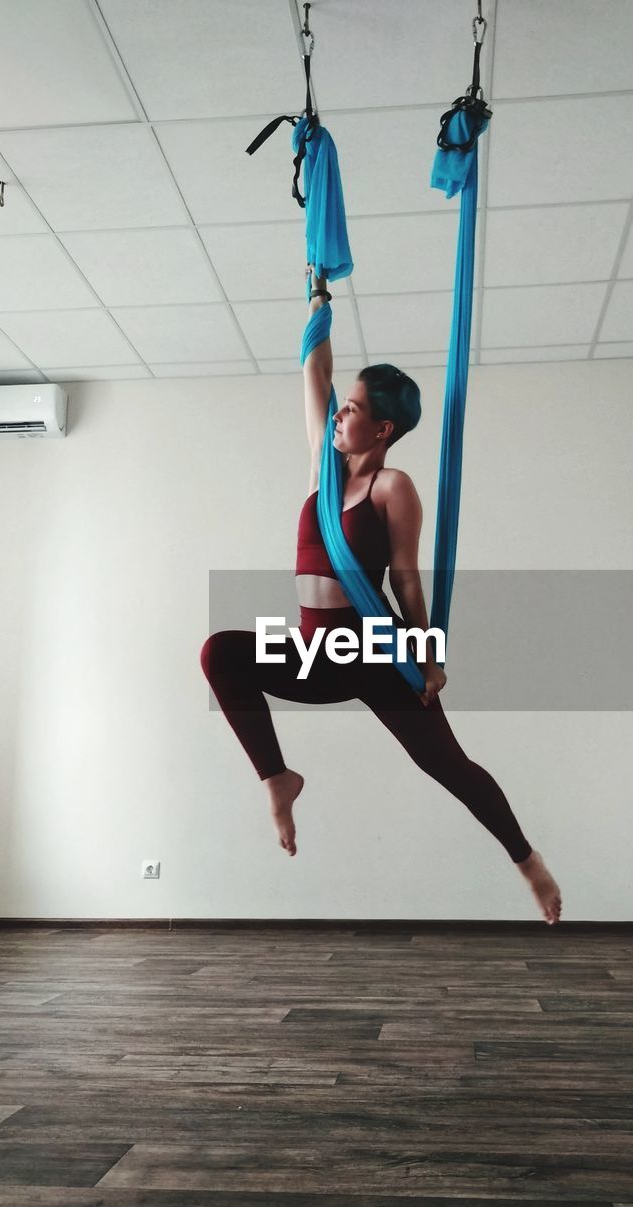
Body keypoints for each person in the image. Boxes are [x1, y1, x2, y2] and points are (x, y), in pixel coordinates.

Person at [199, 266, 562, 924]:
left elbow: (406, 577)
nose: (339, 413)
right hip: (315, 651)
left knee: (448, 766)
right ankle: (278, 779)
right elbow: (314, 373)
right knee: (220, 652)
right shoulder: (323, 464)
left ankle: (527, 861)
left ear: (384, 430)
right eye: (343, 407)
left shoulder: (393, 488)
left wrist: (426, 657)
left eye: (355, 408)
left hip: (371, 649)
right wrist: (318, 296)